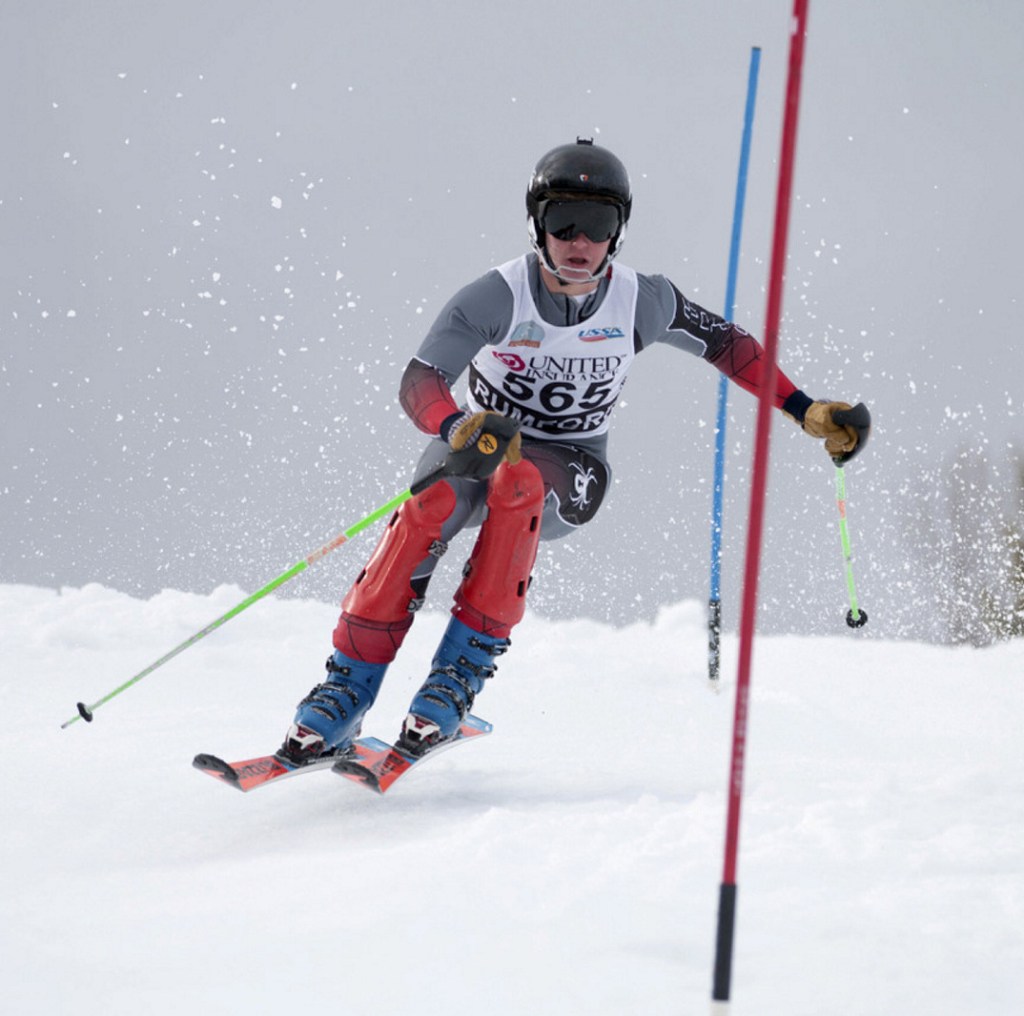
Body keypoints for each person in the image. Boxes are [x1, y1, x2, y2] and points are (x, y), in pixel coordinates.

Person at [277, 138, 870, 764]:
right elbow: (419, 380)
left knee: (520, 485)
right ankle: (345, 691)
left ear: (619, 232)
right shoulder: (497, 295)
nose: (579, 241)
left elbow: (729, 345)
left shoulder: (641, 300)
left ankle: (452, 683)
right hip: (479, 442)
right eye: (564, 222)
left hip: (570, 464)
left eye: (598, 224)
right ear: (538, 224)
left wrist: (804, 409)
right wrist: (454, 426)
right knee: (430, 508)